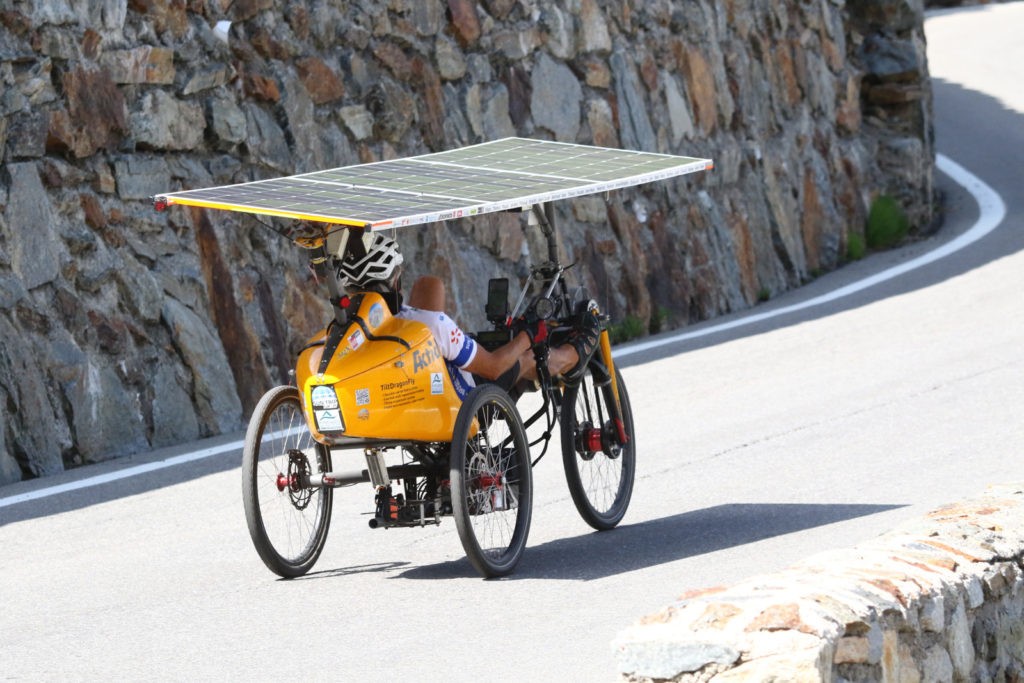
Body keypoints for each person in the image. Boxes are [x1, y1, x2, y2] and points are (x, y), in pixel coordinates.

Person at [333, 230, 600, 400]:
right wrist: (528, 335)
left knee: (430, 285)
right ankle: (574, 356)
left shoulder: (346, 335)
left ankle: (466, 350)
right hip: (463, 399)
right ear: (395, 281)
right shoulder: (427, 325)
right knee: (527, 356)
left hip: (404, 397)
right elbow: (493, 367)